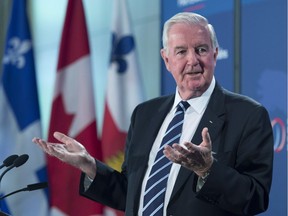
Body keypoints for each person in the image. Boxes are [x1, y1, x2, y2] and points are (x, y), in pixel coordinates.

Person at [32, 12, 274, 216]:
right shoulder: (145, 114)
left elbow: (255, 198)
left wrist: (207, 170)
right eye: (181, 52)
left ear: (215, 54)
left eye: (201, 49)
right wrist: (90, 166)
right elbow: (132, 193)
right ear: (166, 59)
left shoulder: (248, 116)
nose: (192, 60)